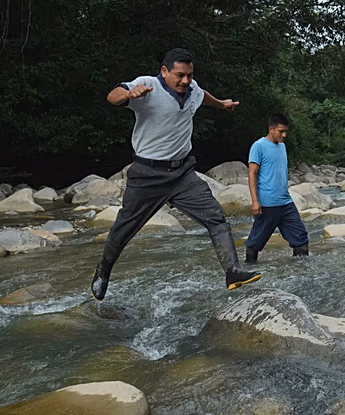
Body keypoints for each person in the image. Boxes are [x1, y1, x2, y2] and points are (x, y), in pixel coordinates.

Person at [91, 48, 262, 301]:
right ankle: (103, 272)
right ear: (164, 71)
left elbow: (202, 95)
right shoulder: (147, 86)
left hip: (183, 174)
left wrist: (222, 104)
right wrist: (128, 94)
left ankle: (232, 271)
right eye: (179, 75)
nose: (185, 81)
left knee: (215, 217)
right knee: (124, 229)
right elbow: (112, 96)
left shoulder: (192, 89)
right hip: (148, 174)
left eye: (189, 75)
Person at [244, 113, 310, 263]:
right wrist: (255, 201)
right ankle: (248, 268)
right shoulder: (258, 146)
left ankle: (299, 273)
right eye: (281, 131)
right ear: (271, 129)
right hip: (268, 203)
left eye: (286, 131)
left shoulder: (282, 146)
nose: (284, 135)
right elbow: (252, 174)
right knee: (255, 242)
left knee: (301, 239)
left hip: (286, 202)